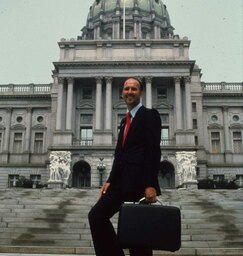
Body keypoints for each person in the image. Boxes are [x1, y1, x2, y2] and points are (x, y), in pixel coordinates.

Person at [88, 77, 161, 256]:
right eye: (126, 89)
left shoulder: (150, 115)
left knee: (138, 236)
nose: (129, 92)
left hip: (139, 182)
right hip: (120, 182)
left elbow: (153, 151)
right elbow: (119, 153)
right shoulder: (124, 120)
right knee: (96, 216)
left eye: (134, 89)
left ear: (140, 93)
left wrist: (150, 184)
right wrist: (110, 180)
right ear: (122, 93)